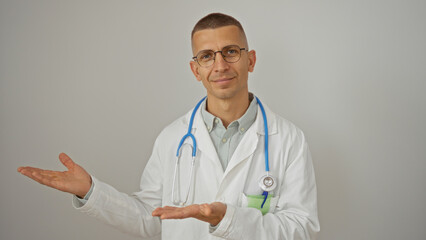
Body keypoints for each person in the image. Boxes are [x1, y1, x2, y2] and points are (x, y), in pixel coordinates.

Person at [17, 13, 320, 239]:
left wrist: (228, 218)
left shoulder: (289, 140)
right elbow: (152, 219)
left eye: (231, 51)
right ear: (195, 69)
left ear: (250, 60)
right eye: (206, 56)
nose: (220, 65)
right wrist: (92, 192)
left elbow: (302, 228)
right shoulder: (172, 138)